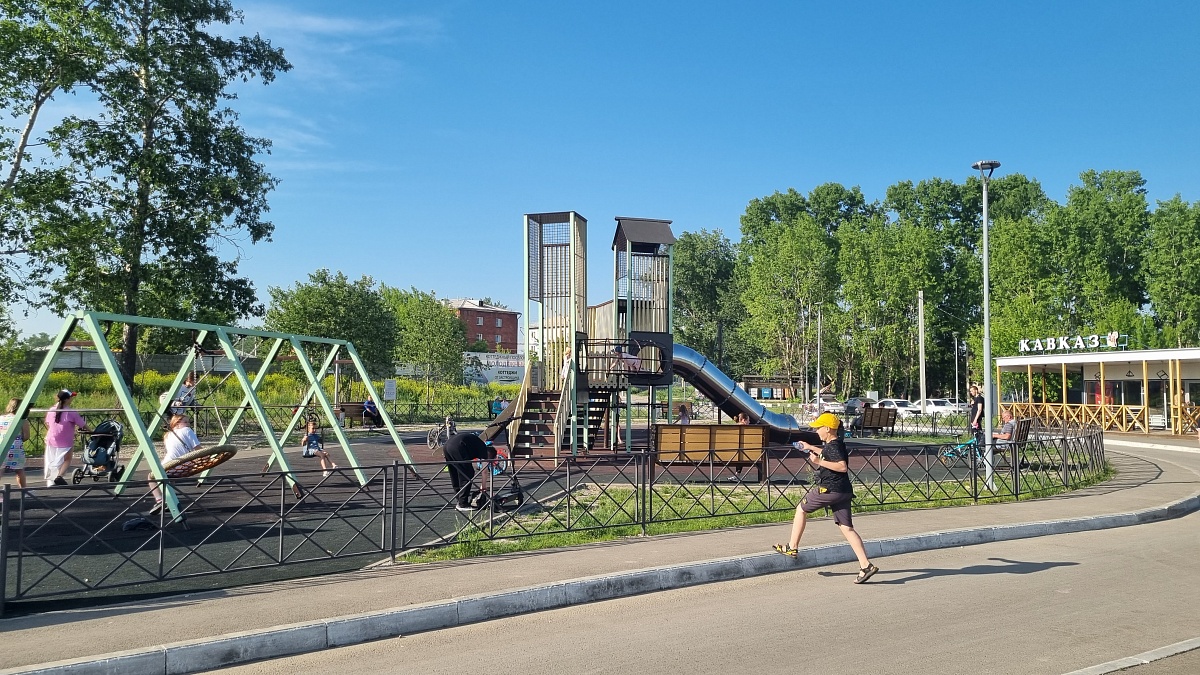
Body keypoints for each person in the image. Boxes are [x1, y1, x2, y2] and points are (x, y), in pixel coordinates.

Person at [773, 413, 879, 584]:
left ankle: (792, 547)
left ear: (828, 429)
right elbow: (829, 453)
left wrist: (818, 462)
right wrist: (810, 447)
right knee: (847, 528)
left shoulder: (833, 446)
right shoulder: (835, 444)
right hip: (843, 491)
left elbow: (842, 466)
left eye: (818, 428)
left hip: (830, 489)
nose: (816, 431)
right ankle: (866, 566)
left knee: (801, 509)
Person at [149, 413, 200, 511]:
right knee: (168, 479)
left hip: (171, 464)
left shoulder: (167, 435)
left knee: (152, 477)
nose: (188, 424)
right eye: (185, 422)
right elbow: (198, 449)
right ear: (176, 423)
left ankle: (160, 500)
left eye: (188, 422)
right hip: (183, 465)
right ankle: (169, 501)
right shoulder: (187, 430)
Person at [441, 432, 498, 512]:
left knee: (455, 472)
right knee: (468, 473)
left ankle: (459, 500)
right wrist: (483, 487)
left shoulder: (478, 445)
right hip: (458, 446)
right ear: (490, 456)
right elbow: (484, 471)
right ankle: (462, 503)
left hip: (447, 445)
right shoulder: (484, 450)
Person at [44, 390, 90, 486]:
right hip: (65, 440)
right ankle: (59, 476)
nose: (72, 399)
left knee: (52, 458)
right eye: (71, 397)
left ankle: (51, 480)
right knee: (67, 459)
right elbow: (83, 424)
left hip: (51, 438)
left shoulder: (51, 410)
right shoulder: (71, 412)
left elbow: (47, 423)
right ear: (67, 399)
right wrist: (92, 432)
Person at [1, 398, 30, 489]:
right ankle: (24, 491)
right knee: (19, 470)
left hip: (2, 446)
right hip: (16, 447)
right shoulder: (23, 420)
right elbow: (26, 436)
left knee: (0, 470)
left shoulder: (1, 418)